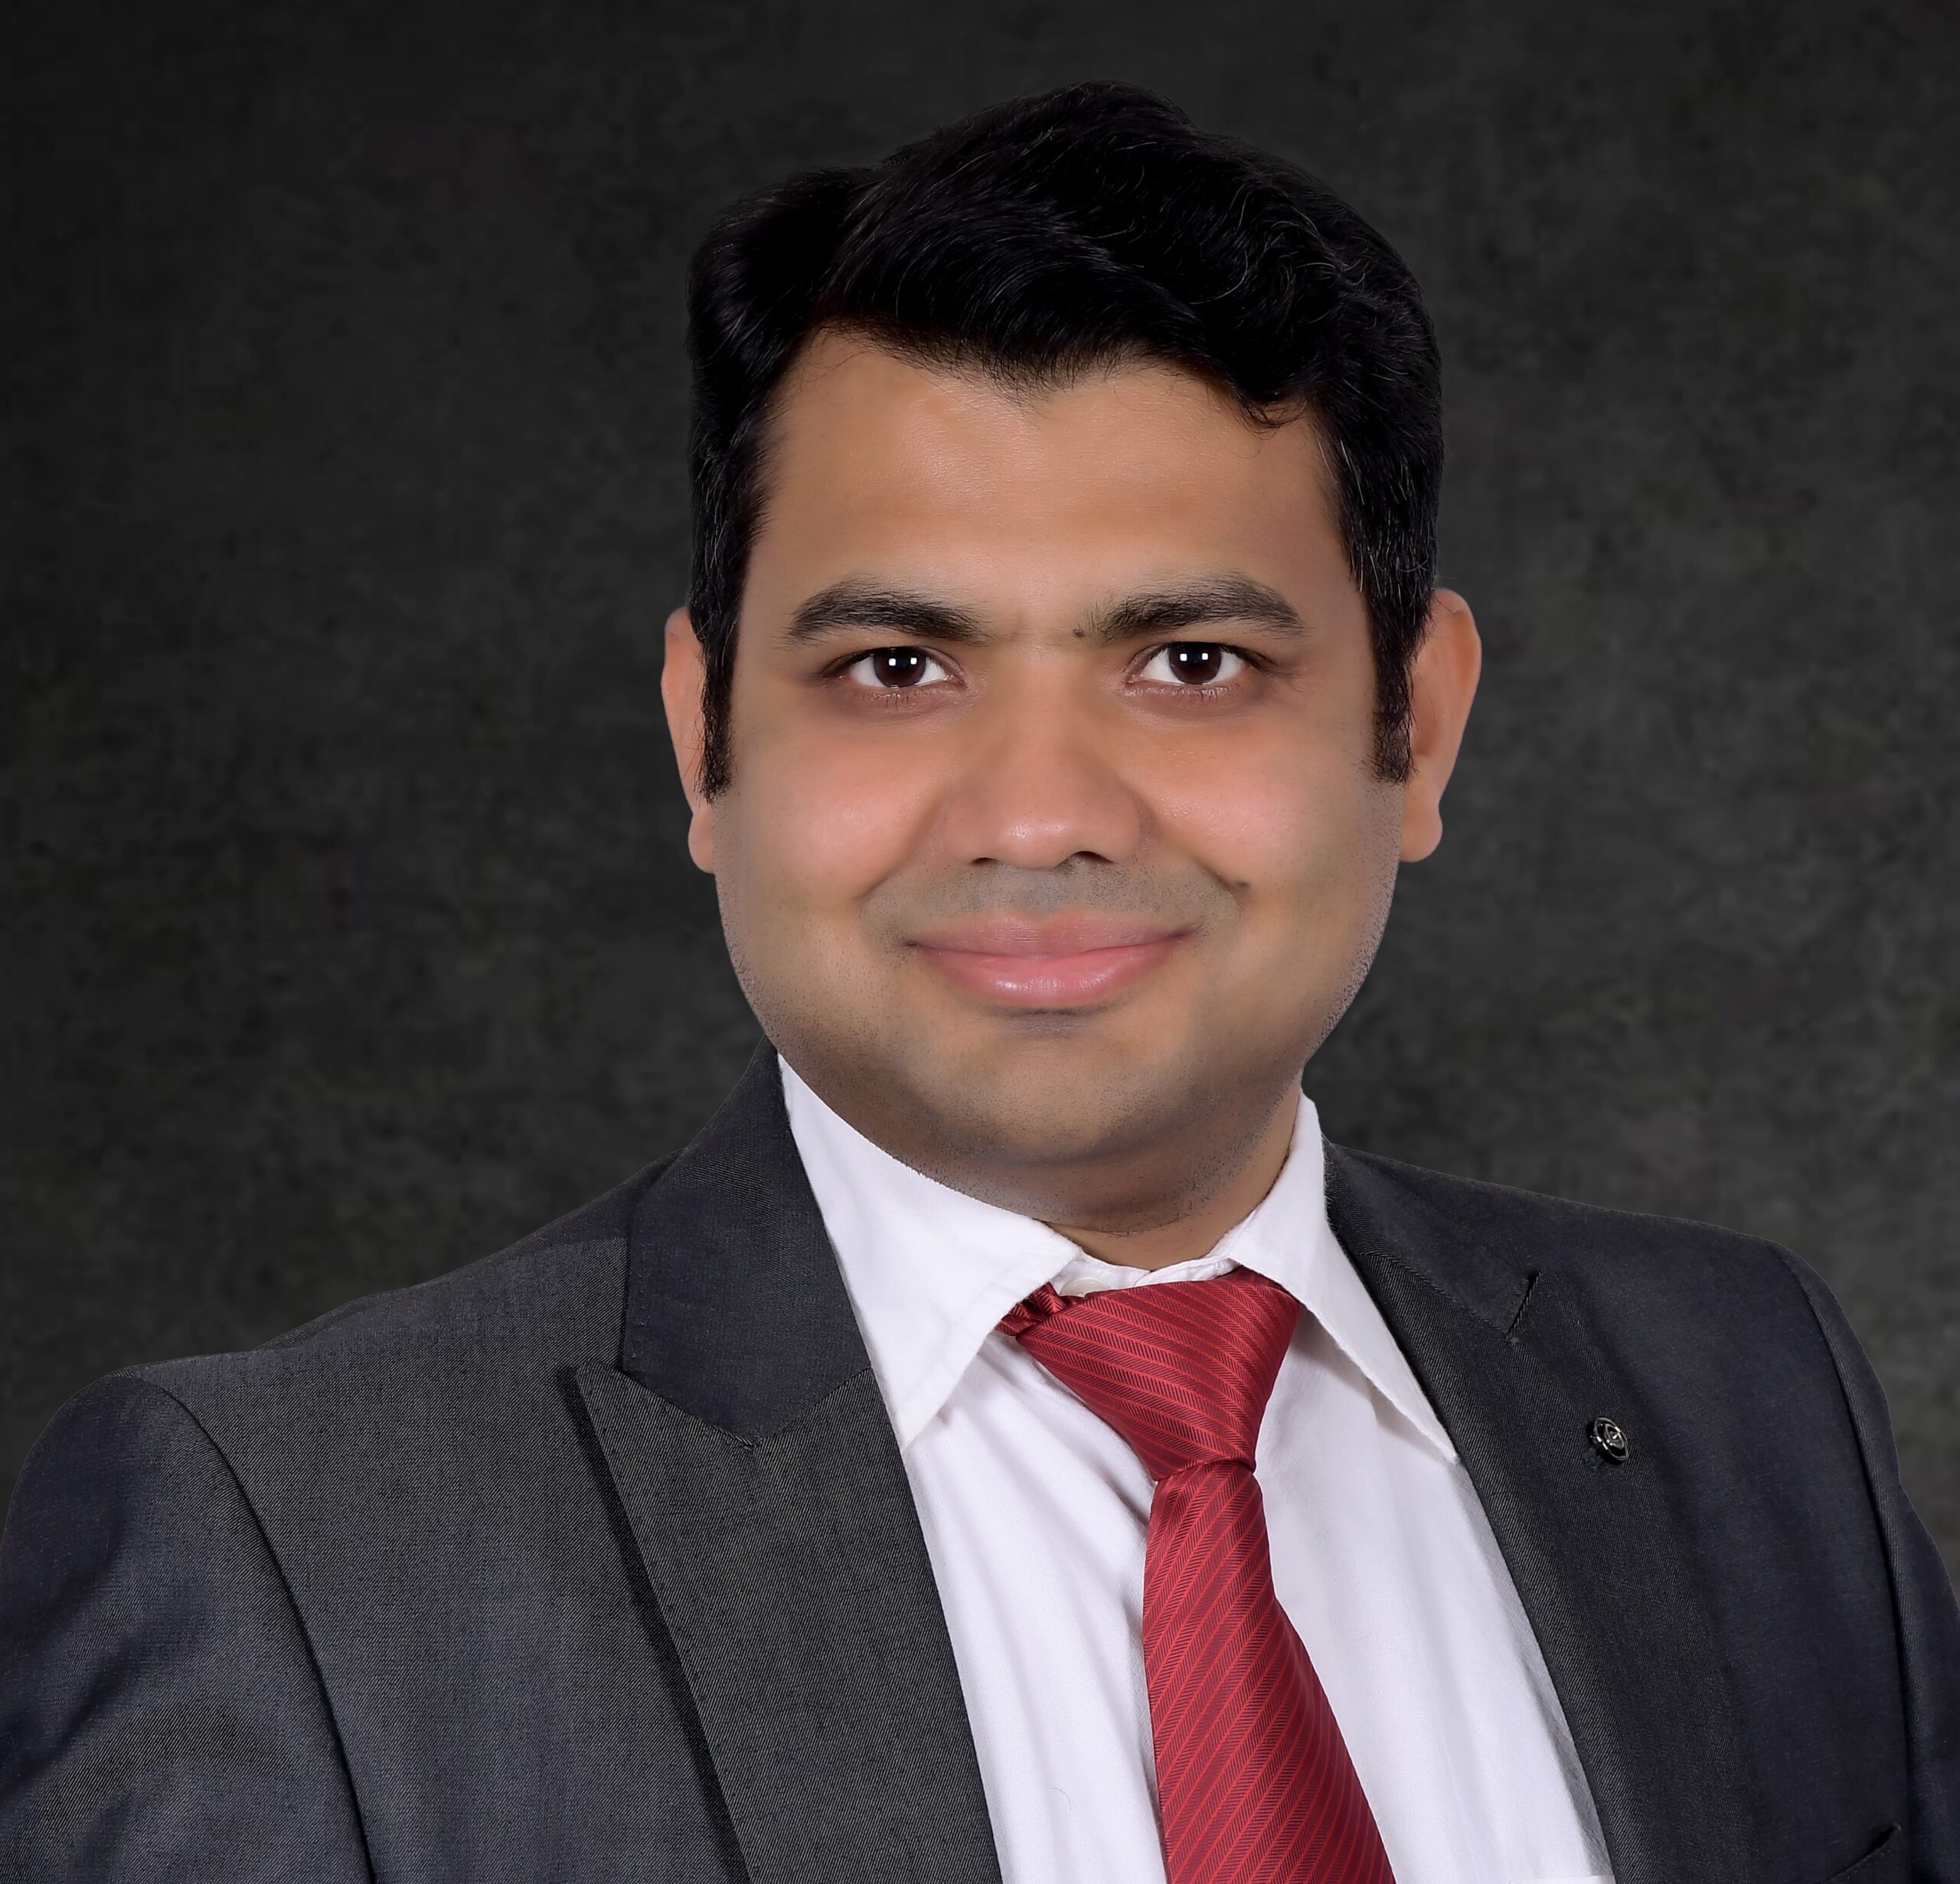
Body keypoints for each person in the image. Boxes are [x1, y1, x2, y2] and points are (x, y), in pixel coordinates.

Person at [2, 78, 1953, 1884]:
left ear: (1417, 725)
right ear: (703, 737)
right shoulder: (295, 1545)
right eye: (896, 668)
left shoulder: (1739, 1391)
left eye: (1188, 662)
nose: (1036, 816)